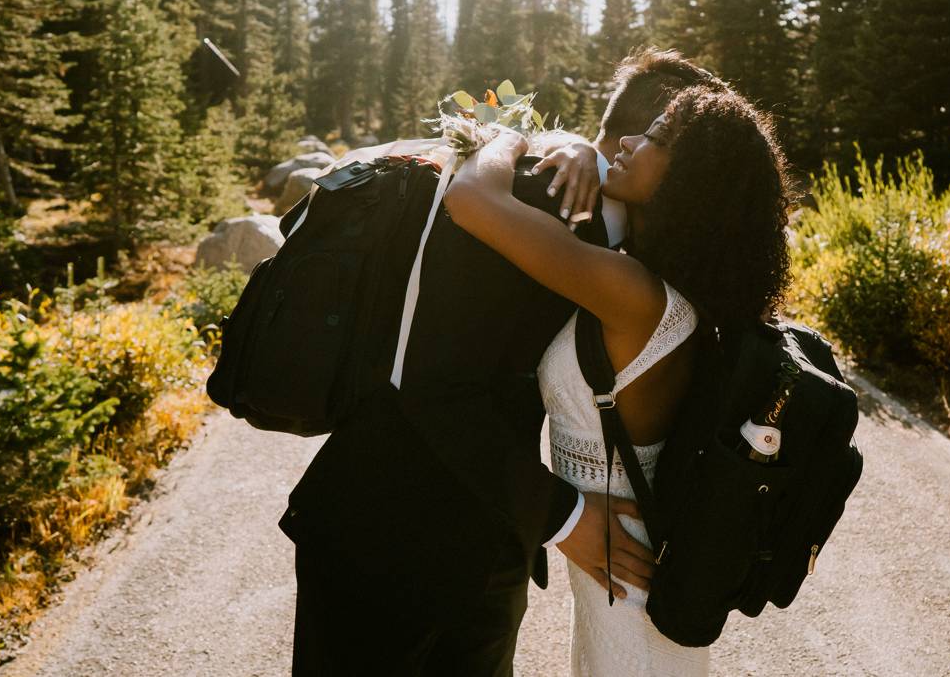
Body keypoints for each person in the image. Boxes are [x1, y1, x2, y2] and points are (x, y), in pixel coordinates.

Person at [281, 50, 724, 676]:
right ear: (641, 136)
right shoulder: (535, 193)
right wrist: (563, 516)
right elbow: (428, 380)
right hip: (385, 537)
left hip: (485, 545)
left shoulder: (610, 216)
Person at [444, 84, 792, 676]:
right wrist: (581, 148)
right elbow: (601, 166)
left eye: (653, 138)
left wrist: (505, 134)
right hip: (621, 580)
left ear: (692, 182)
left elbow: (471, 198)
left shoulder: (635, 295)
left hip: (628, 598)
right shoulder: (672, 288)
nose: (626, 140)